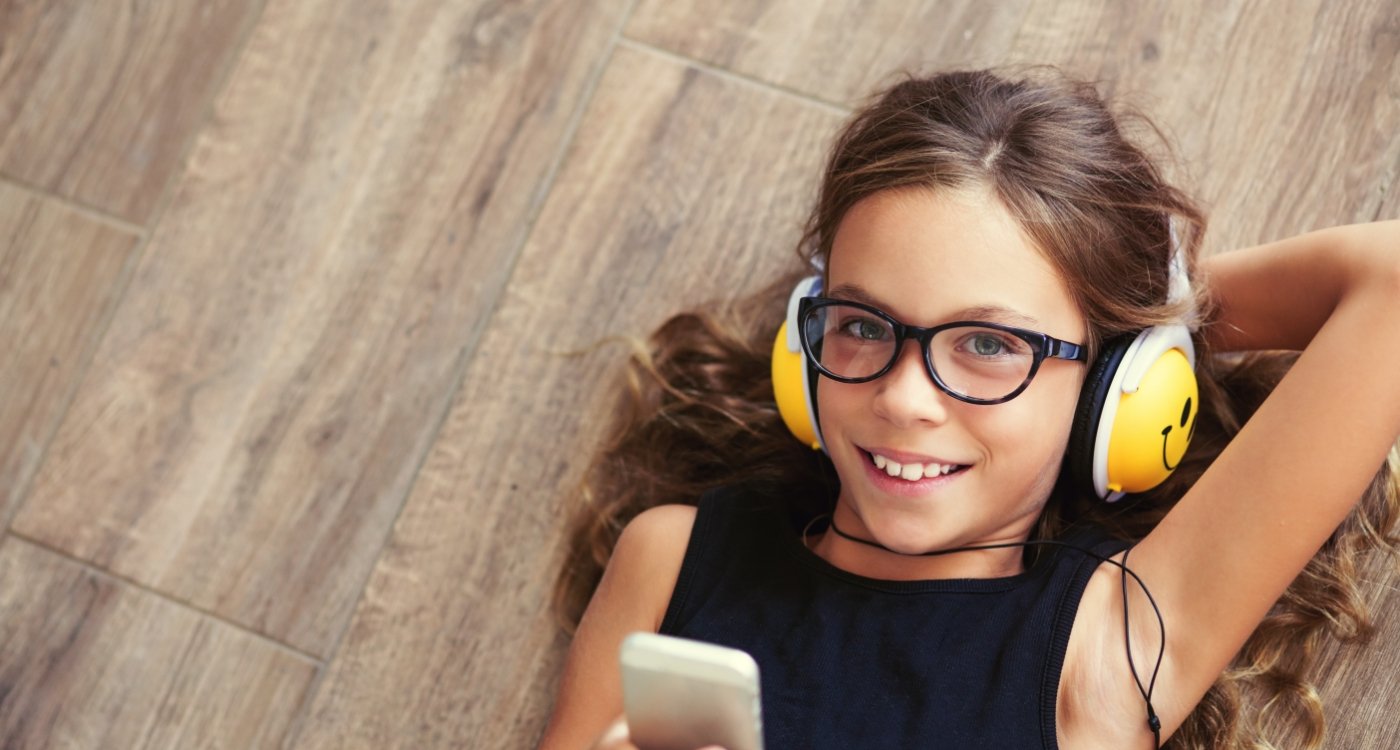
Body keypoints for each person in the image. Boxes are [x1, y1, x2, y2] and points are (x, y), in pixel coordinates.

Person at [536, 67, 1400, 749]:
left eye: (990, 345)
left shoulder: (1104, 655)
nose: (904, 398)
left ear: (1105, 393)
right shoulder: (672, 559)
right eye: (864, 324)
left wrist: (1144, 326)